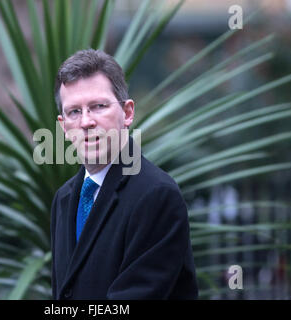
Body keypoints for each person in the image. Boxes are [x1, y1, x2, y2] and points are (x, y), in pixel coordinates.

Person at [51, 49, 198, 300]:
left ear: (128, 113)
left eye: (98, 106)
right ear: (64, 126)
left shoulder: (156, 195)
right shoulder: (63, 199)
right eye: (74, 111)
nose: (86, 122)